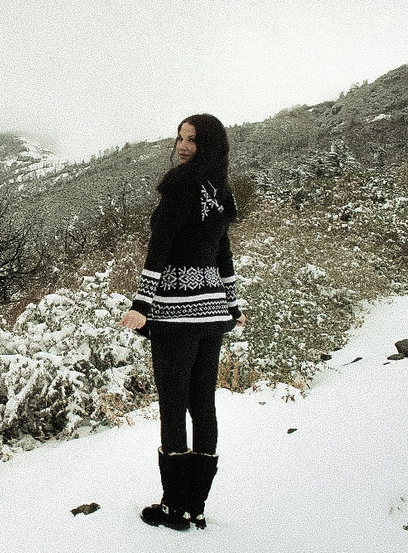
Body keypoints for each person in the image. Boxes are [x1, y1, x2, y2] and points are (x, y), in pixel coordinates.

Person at [117, 113, 246, 530]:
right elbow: (221, 253)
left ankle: (174, 507)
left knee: (174, 407)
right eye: (179, 138)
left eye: (191, 139)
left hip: (176, 311)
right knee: (202, 405)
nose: (182, 146)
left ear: (209, 145)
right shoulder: (219, 190)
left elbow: (161, 246)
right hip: (212, 314)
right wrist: (232, 303)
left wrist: (142, 302)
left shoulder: (179, 186)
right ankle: (196, 505)